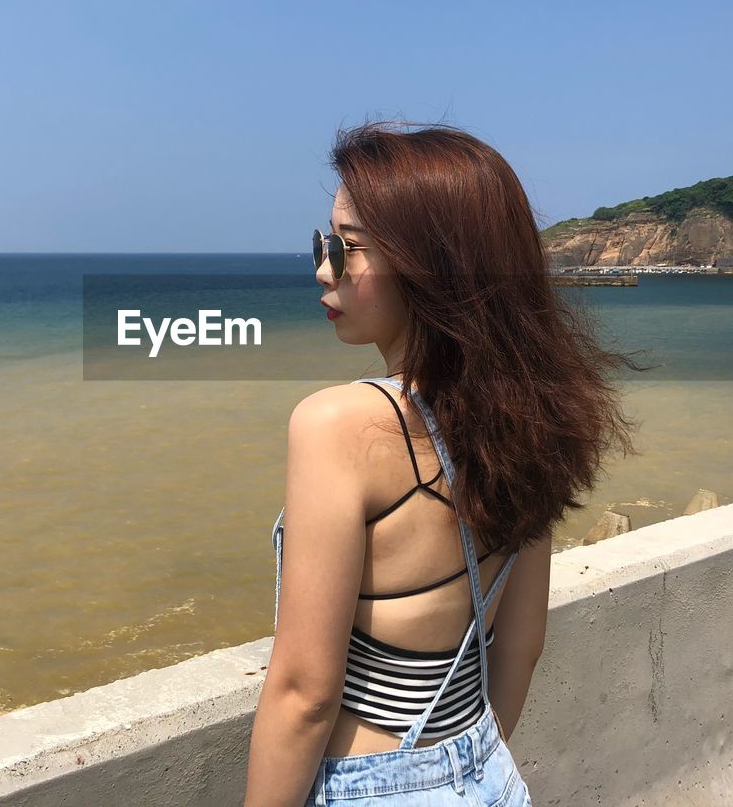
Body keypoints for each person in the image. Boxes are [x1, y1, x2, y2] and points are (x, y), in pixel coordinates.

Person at [243, 122, 644, 806]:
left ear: (430, 265)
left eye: (347, 247)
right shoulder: (530, 413)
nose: (322, 267)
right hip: (485, 768)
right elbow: (522, 644)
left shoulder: (338, 425)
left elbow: (305, 694)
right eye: (323, 243)